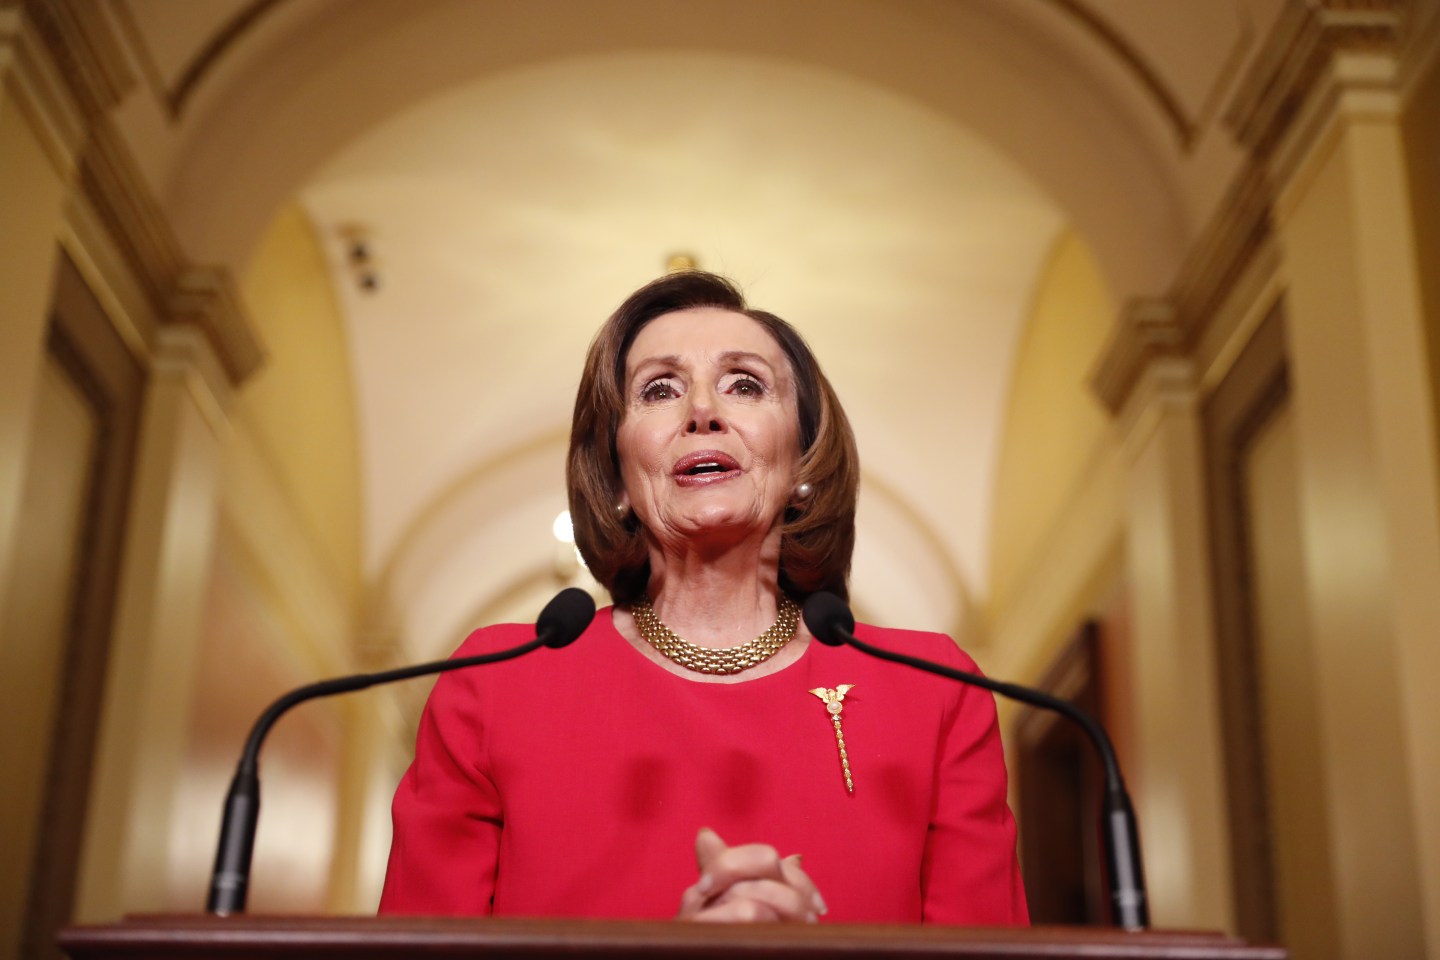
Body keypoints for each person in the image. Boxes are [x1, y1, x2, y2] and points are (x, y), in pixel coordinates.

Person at [378, 271, 1027, 924]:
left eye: (744, 383)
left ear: (804, 460)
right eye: (659, 389)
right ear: (617, 480)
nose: (702, 412)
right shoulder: (493, 688)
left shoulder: (935, 692)